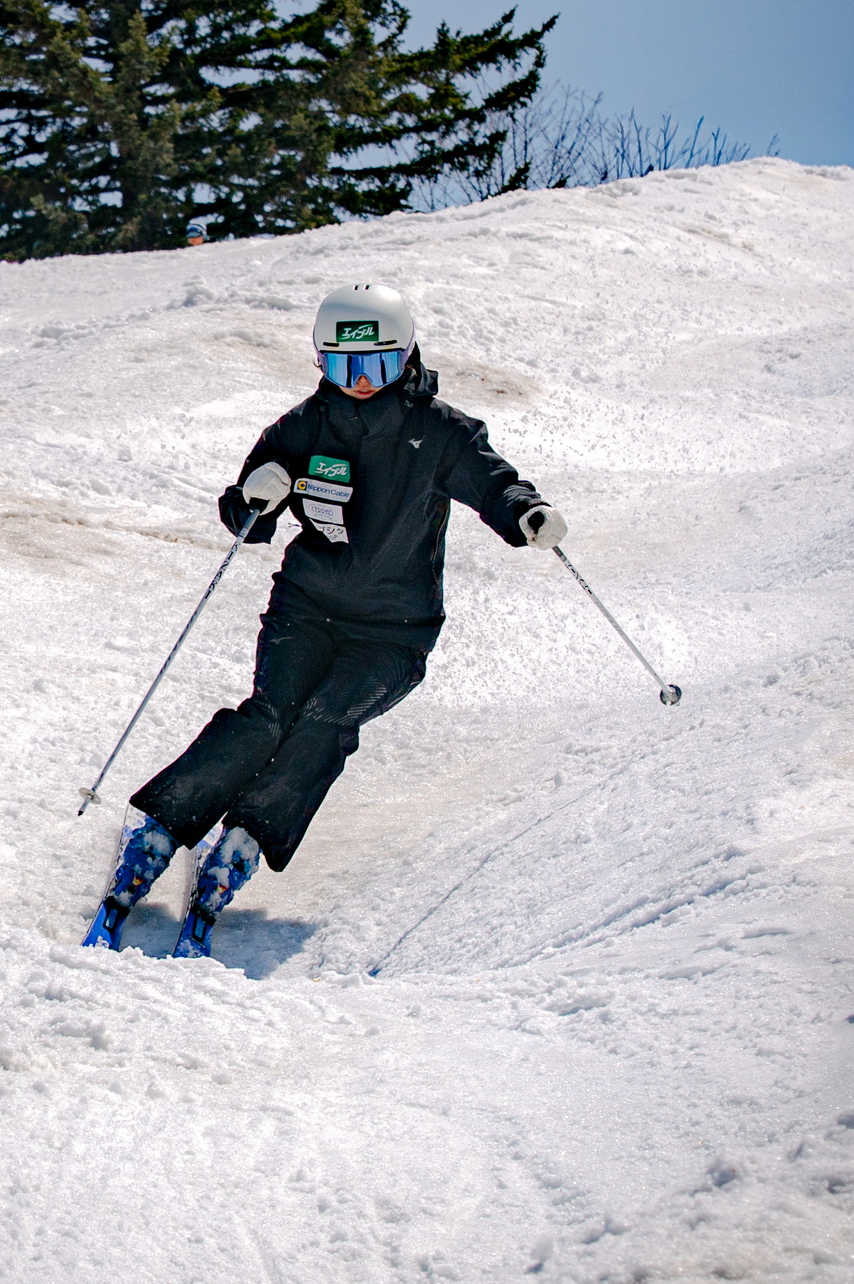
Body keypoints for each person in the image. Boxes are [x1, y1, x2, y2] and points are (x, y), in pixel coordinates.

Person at [84, 281, 567, 958]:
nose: (360, 383)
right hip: (306, 606)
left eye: (374, 366)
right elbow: (242, 512)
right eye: (343, 367)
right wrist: (254, 497)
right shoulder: (304, 427)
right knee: (270, 716)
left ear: (405, 357)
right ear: (322, 364)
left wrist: (525, 512)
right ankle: (160, 831)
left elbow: (494, 482)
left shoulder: (441, 432)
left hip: (393, 633)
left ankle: (243, 841)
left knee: (323, 724)